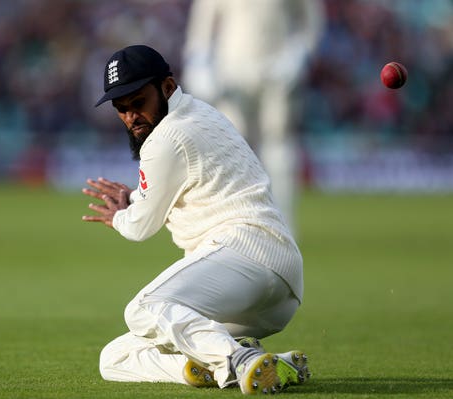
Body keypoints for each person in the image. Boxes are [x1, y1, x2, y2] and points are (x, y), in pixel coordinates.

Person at [82, 45, 308, 394]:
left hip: (245, 254)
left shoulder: (167, 137)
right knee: (115, 356)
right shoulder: (200, 114)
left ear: (167, 88)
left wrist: (120, 216)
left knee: (144, 309)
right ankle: (233, 362)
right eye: (121, 108)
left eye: (138, 102)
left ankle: (236, 360)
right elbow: (164, 189)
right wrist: (133, 200)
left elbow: (140, 226)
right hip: (280, 286)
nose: (130, 117)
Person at [182, 0, 325, 232]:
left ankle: (282, 225)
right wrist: (198, 64)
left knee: (278, 144)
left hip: (277, 71)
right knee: (233, 146)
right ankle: (235, 222)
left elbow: (311, 24)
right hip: (231, 74)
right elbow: (201, 28)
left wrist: (299, 54)